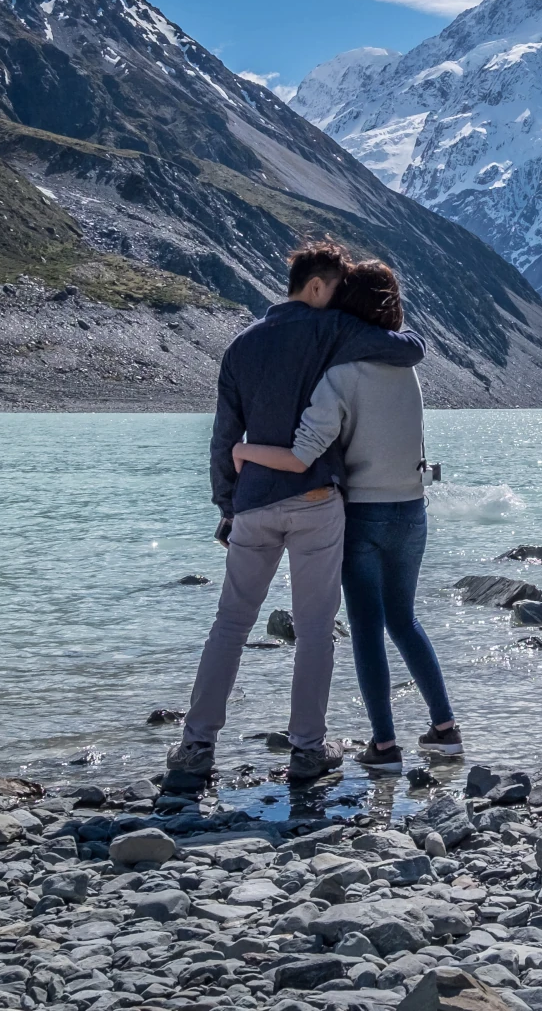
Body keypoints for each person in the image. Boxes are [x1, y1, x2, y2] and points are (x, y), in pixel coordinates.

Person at [167, 241, 426, 791]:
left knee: (230, 624)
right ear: (316, 286)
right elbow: (409, 349)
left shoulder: (240, 347)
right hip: (314, 503)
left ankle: (195, 748)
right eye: (336, 289)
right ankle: (308, 752)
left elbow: (223, 440)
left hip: (254, 503)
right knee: (314, 631)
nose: (342, 300)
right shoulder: (329, 329)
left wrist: (226, 508)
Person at [232, 260, 462, 770]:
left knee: (365, 628)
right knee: (404, 620)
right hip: (411, 510)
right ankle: (445, 729)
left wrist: (246, 454)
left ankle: (384, 745)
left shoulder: (340, 375)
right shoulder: (405, 369)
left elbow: (300, 455)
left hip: (361, 515)